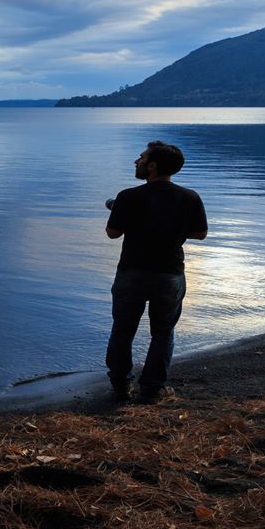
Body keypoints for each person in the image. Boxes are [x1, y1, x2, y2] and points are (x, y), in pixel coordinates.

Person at [104, 141, 208, 403]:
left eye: (141, 158)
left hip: (132, 273)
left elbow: (112, 233)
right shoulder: (189, 197)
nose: (136, 162)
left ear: (152, 165)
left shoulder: (128, 197)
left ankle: (120, 386)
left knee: (123, 330)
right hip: (169, 274)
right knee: (163, 332)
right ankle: (151, 389)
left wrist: (122, 211)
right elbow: (200, 233)